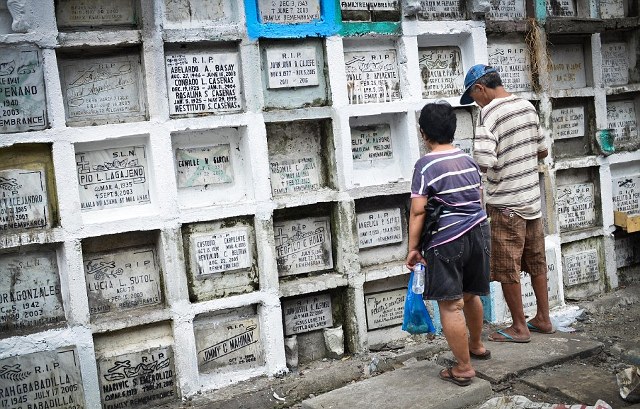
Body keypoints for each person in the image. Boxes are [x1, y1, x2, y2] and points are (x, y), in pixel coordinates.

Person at [460, 64, 554, 343]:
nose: (476, 103)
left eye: (474, 97)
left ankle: (519, 327)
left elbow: (483, 163)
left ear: (480, 88)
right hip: (531, 201)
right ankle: (543, 319)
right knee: (536, 261)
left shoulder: (489, 114)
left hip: (506, 205)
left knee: (506, 266)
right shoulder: (527, 106)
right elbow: (542, 149)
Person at [406, 101, 491, 387]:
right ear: (453, 129)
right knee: (470, 295)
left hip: (447, 240)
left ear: (423, 133)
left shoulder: (425, 165)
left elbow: (418, 211)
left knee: (451, 305)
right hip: (479, 233)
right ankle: (476, 346)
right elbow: (478, 199)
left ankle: (464, 368)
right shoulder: (468, 160)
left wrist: (413, 249)